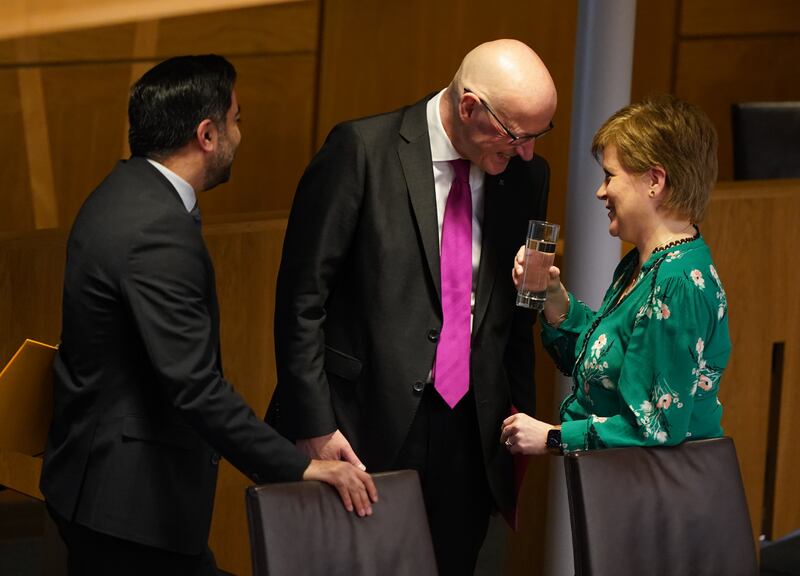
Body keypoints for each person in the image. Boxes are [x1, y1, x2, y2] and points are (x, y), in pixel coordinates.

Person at [40, 54, 377, 576]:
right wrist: (300, 466)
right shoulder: (155, 229)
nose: (241, 133)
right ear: (207, 134)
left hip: (97, 485)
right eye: (236, 119)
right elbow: (195, 386)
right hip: (127, 506)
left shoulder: (122, 192)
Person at [267, 39, 557, 574]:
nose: (527, 153)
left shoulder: (525, 177)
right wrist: (315, 425)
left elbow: (518, 313)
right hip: (359, 426)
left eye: (539, 137)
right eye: (517, 135)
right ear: (469, 107)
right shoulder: (361, 150)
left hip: (470, 431)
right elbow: (301, 298)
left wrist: (516, 414)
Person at [501, 95, 730, 456]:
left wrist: (553, 437)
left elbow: (655, 426)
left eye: (610, 176)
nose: (600, 191)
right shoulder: (644, 264)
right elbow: (599, 364)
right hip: (629, 488)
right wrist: (554, 297)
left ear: (654, 180)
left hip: (655, 503)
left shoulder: (678, 283)